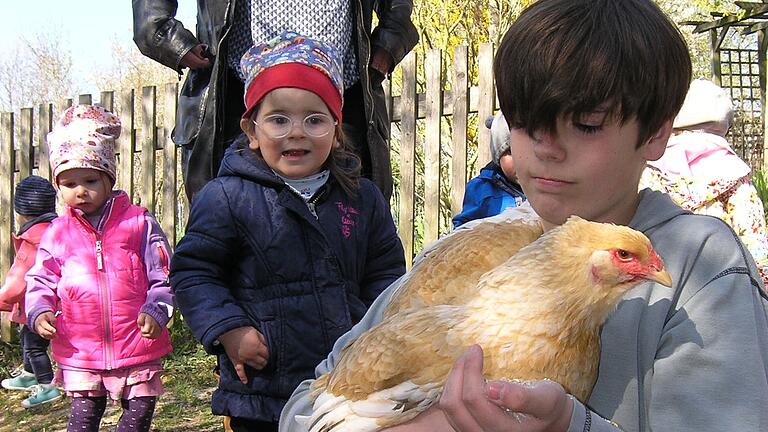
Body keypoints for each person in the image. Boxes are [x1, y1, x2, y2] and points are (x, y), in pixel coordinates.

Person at [279, 1, 768, 431]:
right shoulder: (476, 248)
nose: (546, 149)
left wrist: (569, 428)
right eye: (526, 125)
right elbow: (310, 401)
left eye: (585, 125)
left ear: (657, 134)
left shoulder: (699, 265)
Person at [170, 33, 406, 432]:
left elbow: (385, 274)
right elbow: (194, 273)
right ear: (251, 128)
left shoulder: (361, 198)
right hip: (264, 392)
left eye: (314, 119)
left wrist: (376, 331)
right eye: (279, 119)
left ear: (335, 128)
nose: (296, 131)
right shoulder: (227, 196)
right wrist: (229, 329)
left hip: (347, 387)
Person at [132, 0, 419, 202]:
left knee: (352, 221)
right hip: (235, 93)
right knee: (233, 222)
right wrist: (162, 34)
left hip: (344, 94)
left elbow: (380, 263)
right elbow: (203, 266)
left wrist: (391, 41)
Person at [24, 105, 175, 432]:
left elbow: (163, 272)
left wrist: (158, 308)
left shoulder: (138, 223)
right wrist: (39, 310)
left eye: (90, 180)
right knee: (83, 419)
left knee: (137, 418)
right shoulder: (57, 233)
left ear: (109, 178)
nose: (80, 191)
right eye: (68, 183)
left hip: (136, 342)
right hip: (82, 349)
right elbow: (40, 279)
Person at [639, 77, 768, 284]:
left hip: (659, 285)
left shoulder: (649, 167)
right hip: (722, 287)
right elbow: (756, 244)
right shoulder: (734, 172)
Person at [0, 175, 61, 409]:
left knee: (35, 347)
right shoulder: (56, 231)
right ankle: (28, 373)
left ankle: (47, 385)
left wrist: (4, 298)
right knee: (28, 340)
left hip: (36, 307)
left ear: (21, 212)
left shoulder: (33, 241)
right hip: (49, 304)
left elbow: (18, 280)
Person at [452, 111, 526, 227]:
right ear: (498, 156)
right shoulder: (481, 190)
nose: (521, 160)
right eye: (510, 152)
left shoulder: (548, 186)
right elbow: (464, 228)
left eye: (528, 151)